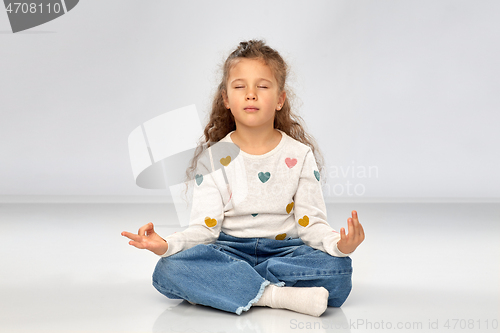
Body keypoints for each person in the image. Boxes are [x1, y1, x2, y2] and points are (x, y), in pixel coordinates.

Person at [121, 40, 365, 317]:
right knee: (170, 269)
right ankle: (274, 295)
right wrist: (167, 245)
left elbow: (312, 225)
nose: (251, 94)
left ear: (280, 100)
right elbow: (204, 230)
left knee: (339, 270)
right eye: (240, 87)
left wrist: (339, 245)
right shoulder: (212, 160)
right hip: (230, 251)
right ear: (226, 99)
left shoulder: (300, 155)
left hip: (286, 252)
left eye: (262, 86)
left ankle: (233, 284)